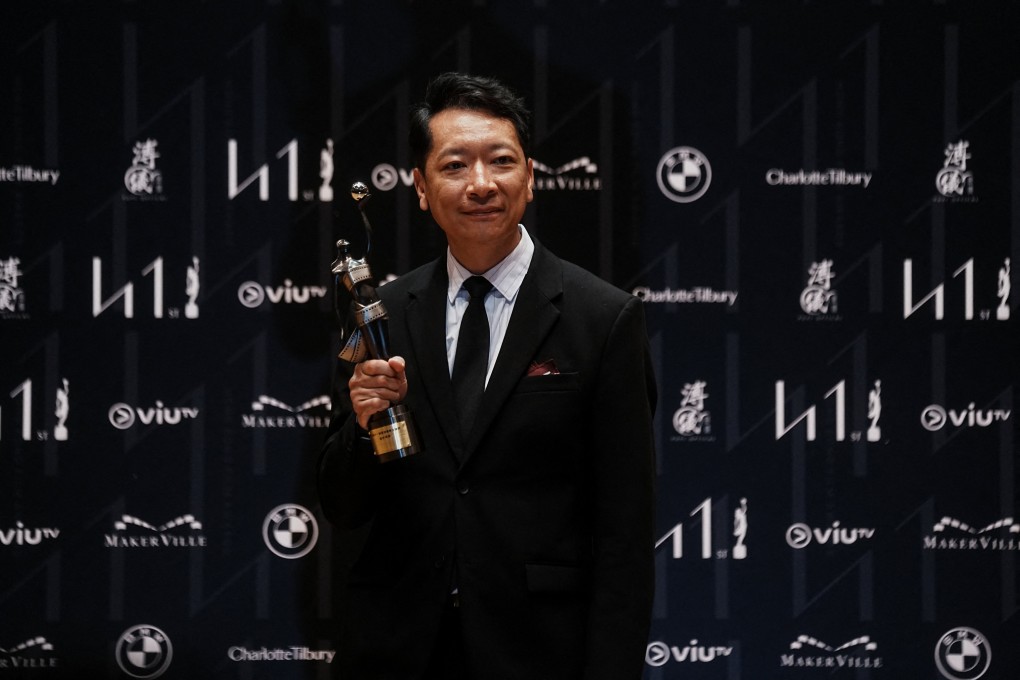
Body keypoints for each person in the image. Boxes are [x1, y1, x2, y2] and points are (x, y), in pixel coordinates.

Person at [318, 72, 657, 680]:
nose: (481, 184)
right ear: (421, 187)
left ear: (529, 175)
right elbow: (343, 505)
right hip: (396, 647)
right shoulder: (383, 312)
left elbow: (624, 531)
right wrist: (364, 426)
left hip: (538, 650)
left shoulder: (603, 318)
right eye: (454, 166)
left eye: (501, 161)